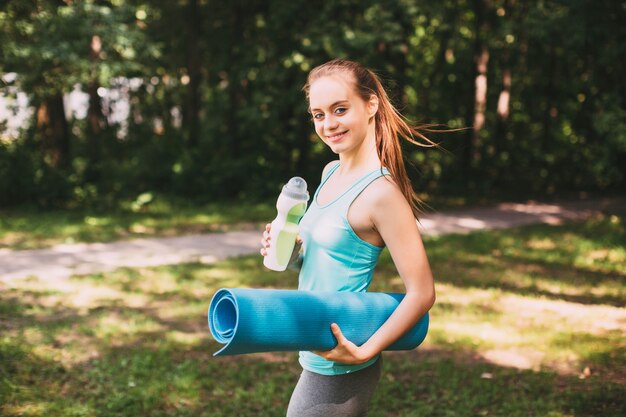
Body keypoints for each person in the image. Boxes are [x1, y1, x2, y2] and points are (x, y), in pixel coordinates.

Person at [260, 58, 436, 417]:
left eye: (340, 109)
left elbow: (422, 293)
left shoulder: (381, 194)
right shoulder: (330, 171)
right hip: (314, 345)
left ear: (371, 105)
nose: (328, 125)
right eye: (319, 114)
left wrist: (366, 350)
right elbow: (328, 259)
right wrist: (291, 251)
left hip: (344, 360)